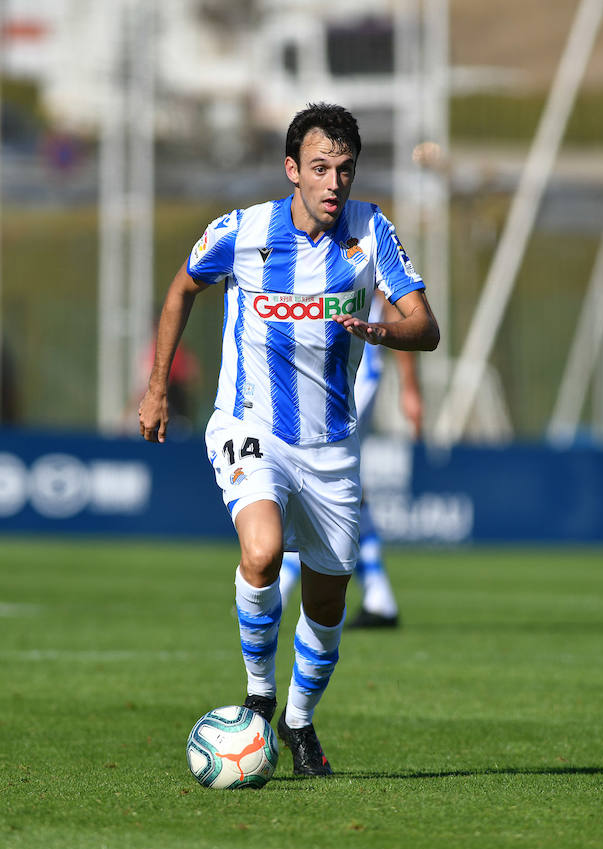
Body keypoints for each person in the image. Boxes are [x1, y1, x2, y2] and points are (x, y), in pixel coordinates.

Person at [137, 103, 440, 776]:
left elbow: (426, 325)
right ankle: (260, 694)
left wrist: (381, 330)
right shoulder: (243, 232)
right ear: (292, 171)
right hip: (251, 425)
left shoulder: (371, 231)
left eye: (345, 170)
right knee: (264, 550)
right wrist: (157, 387)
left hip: (331, 446)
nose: (334, 183)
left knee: (328, 603)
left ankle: (300, 724)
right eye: (320, 168)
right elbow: (183, 288)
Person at [277, 291, 423, 629]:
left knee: (319, 475)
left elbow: (394, 300)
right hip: (325, 373)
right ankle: (379, 596)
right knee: (344, 484)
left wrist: (410, 387)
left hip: (354, 374)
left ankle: (282, 584)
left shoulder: (364, 238)